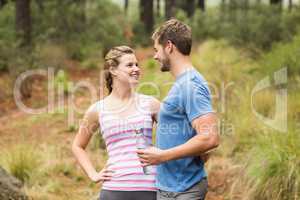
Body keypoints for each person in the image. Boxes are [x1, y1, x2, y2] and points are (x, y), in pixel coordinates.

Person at [137, 19, 220, 200]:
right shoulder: (183, 83)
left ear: (169, 46)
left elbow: (210, 137)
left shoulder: (191, 85)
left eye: (156, 50)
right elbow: (187, 125)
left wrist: (162, 156)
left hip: (183, 190)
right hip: (171, 188)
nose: (155, 56)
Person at [72, 46, 160, 200]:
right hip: (114, 190)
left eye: (137, 65)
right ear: (113, 70)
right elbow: (77, 146)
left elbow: (177, 134)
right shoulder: (98, 109)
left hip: (149, 188)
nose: (136, 69)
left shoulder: (150, 103)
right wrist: (93, 174)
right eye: (129, 65)